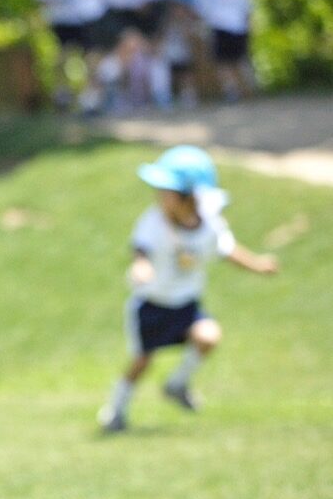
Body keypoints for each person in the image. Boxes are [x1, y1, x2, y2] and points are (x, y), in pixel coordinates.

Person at [98, 145, 277, 433]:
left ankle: (176, 385)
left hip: (185, 304)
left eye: (167, 192)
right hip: (152, 304)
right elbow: (141, 249)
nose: (160, 197)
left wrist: (257, 264)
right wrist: (141, 266)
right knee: (142, 360)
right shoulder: (153, 221)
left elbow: (227, 250)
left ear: (190, 196)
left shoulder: (210, 225)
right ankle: (115, 411)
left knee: (209, 336)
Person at [194, 0, 254, 102]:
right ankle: (240, 89)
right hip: (232, 23)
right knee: (235, 59)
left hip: (223, 23)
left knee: (226, 61)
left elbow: (203, 2)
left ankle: (236, 89)